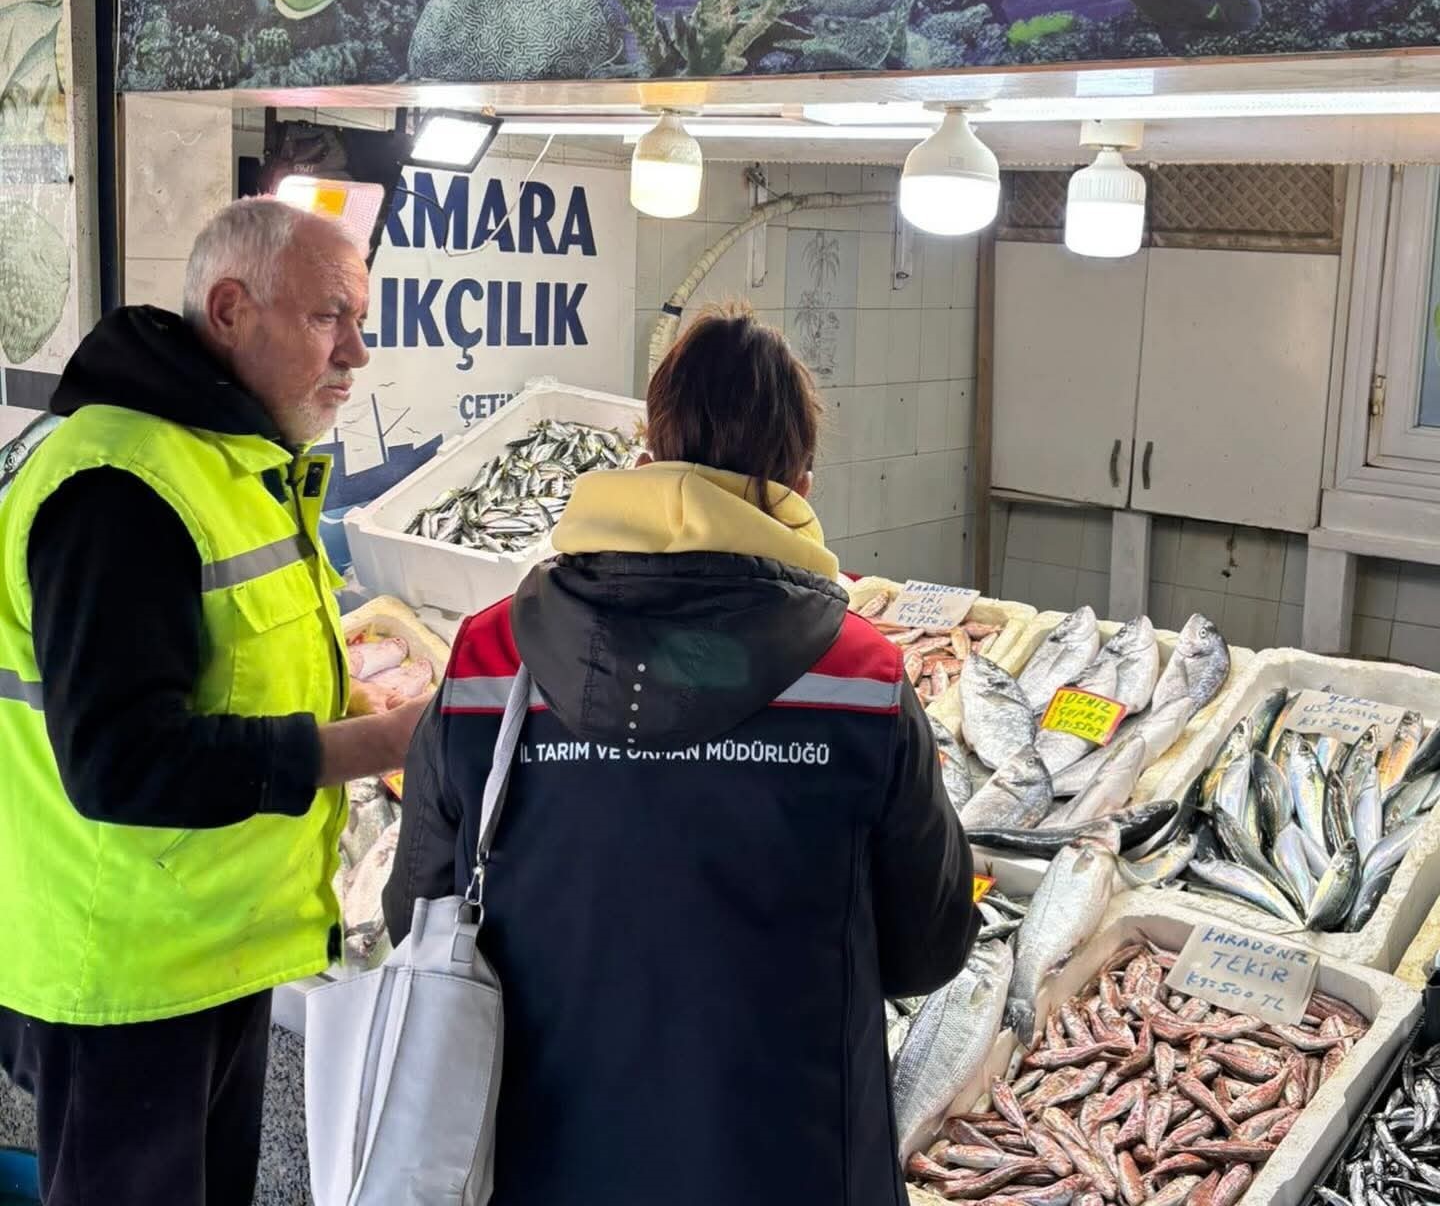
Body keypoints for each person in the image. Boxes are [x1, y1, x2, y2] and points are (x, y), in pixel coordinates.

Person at [385, 302, 977, 1206]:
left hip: (536, 1160)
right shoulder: (860, 681)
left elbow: (414, 915)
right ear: (799, 483)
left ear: (647, 455)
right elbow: (928, 949)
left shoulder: (486, 662)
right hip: (786, 1160)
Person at [0, 197, 427, 1206]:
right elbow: (122, 760)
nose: (357, 355)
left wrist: (342, 692)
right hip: (124, 980)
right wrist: (376, 743)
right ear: (231, 309)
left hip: (208, 957)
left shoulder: (229, 463)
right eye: (332, 317)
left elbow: (222, 672)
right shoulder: (121, 485)